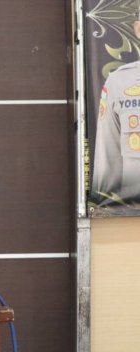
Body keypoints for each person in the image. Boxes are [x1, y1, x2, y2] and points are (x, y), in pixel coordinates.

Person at [92, 8, 140, 205]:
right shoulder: (119, 83)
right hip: (134, 215)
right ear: (138, 29)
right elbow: (108, 156)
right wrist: (105, 210)